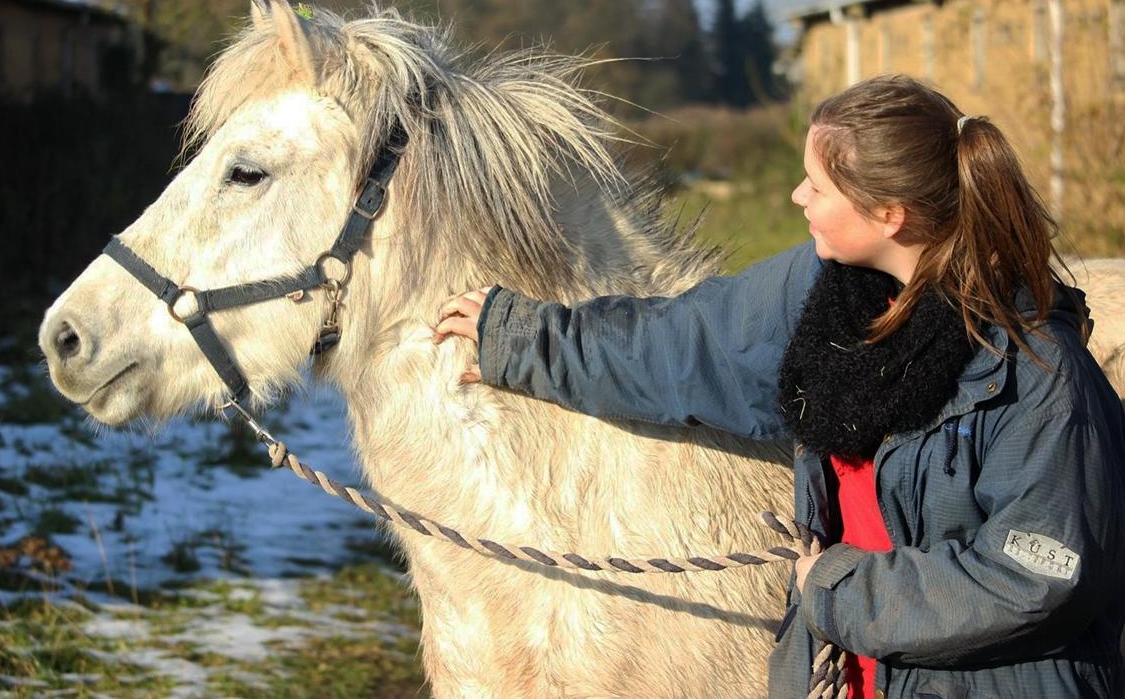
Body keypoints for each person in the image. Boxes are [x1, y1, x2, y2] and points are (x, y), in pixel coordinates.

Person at [433, 74, 1125, 699]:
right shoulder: (829, 295)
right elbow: (685, 344)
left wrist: (839, 589)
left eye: (817, 186)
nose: (798, 195)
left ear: (889, 215)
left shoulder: (1036, 374)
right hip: (850, 673)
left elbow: (1037, 577)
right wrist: (524, 339)